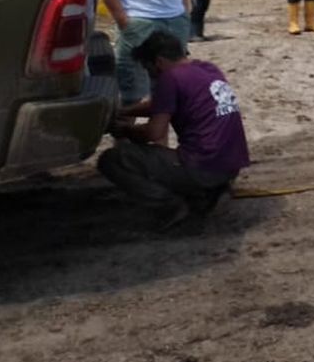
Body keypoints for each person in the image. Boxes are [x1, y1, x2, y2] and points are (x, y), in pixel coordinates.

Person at [98, 29, 250, 231]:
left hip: (202, 166)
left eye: (148, 68)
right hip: (230, 165)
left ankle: (170, 207)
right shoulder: (208, 70)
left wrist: (125, 130)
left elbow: (154, 133)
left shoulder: (170, 78)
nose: (150, 75)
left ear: (159, 62)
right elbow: (164, 104)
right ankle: (210, 192)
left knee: (112, 160)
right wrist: (126, 111)